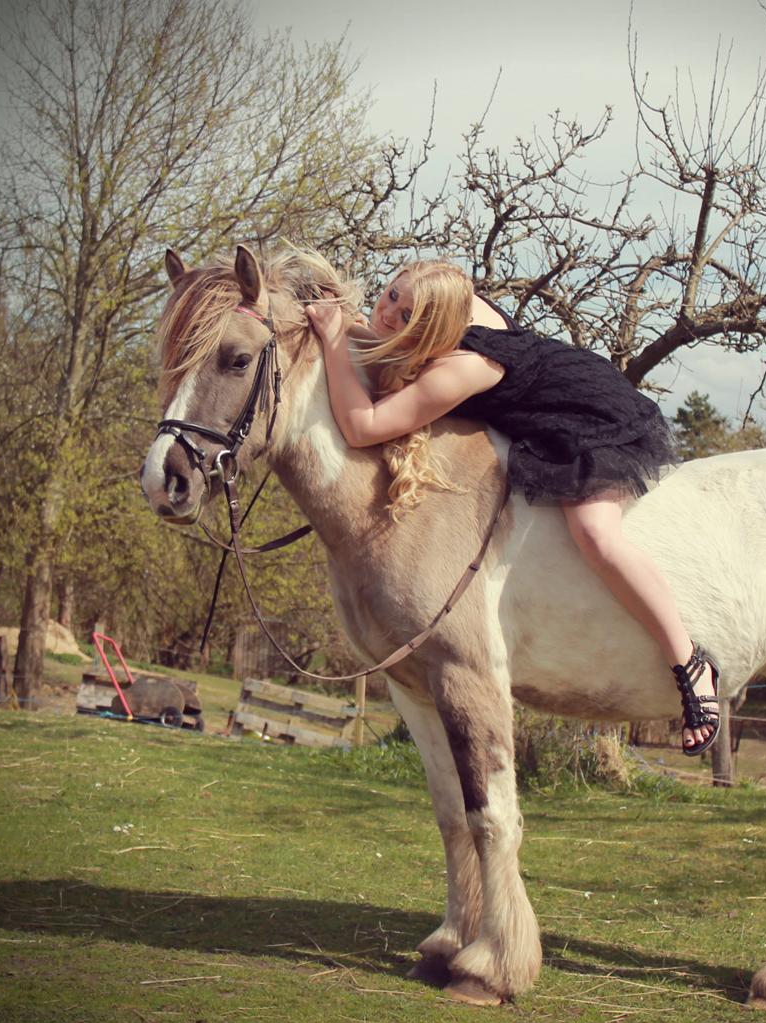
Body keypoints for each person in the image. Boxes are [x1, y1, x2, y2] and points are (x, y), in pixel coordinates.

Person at [305, 259, 721, 755]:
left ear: (436, 327)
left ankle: (690, 663)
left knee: (594, 533)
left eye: (408, 313)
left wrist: (333, 341)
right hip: (559, 388)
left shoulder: (461, 368)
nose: (389, 312)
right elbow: (379, 341)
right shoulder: (453, 298)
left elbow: (363, 427)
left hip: (591, 417)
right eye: (393, 294)